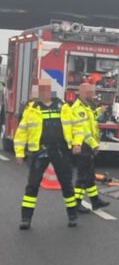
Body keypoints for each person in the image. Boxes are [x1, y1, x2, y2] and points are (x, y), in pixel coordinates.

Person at [14, 79, 79, 229]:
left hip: (60, 150)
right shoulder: (32, 108)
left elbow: (76, 126)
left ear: (51, 90)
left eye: (46, 89)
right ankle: (26, 219)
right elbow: (21, 132)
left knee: (66, 184)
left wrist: (77, 143)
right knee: (32, 185)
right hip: (39, 151)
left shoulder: (62, 106)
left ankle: (72, 216)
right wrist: (19, 152)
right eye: (41, 89)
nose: (44, 92)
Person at [69, 82, 111, 213]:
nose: (93, 94)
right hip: (83, 145)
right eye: (90, 92)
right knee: (83, 176)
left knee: (89, 175)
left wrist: (99, 111)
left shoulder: (86, 107)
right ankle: (76, 203)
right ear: (83, 93)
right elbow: (84, 131)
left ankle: (95, 201)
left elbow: (91, 119)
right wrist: (94, 144)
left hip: (87, 146)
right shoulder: (78, 108)